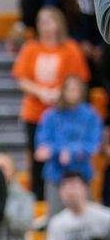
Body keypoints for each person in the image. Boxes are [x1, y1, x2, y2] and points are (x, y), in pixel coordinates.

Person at [12, 6, 90, 198]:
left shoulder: (70, 48)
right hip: (35, 112)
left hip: (63, 114)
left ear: (59, 23)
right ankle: (39, 198)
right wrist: (41, 91)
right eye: (41, 21)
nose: (44, 26)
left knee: (65, 155)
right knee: (38, 155)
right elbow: (21, 78)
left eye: (49, 21)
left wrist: (60, 93)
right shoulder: (31, 48)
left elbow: (79, 79)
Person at [35, 76, 101, 212]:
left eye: (76, 89)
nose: (72, 93)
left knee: (82, 216)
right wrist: (57, 151)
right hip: (56, 174)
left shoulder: (90, 115)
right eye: (69, 89)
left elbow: (93, 143)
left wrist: (72, 152)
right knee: (55, 216)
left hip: (81, 174)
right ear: (62, 91)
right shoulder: (51, 115)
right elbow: (43, 142)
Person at [46, 0, 102, 83]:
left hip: (96, 42)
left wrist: (99, 46)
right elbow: (52, 19)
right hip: (68, 41)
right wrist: (77, 42)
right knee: (74, 52)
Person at [45, 171, 110, 240]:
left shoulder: (105, 217)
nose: (69, 191)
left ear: (86, 188)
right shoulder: (56, 222)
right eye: (64, 187)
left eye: (74, 186)